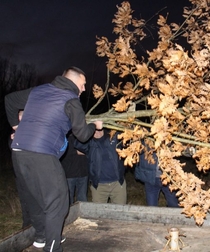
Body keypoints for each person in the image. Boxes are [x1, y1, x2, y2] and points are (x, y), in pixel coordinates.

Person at [5, 66, 103, 252]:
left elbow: (9, 100)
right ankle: (52, 247)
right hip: (41, 154)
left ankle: (42, 237)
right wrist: (94, 125)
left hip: (18, 152)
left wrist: (16, 127)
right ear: (74, 81)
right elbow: (82, 134)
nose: (83, 89)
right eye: (82, 85)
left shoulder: (39, 90)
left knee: (36, 198)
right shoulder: (71, 100)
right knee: (58, 200)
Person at [74, 129, 127, 204]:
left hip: (117, 184)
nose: (96, 132)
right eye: (94, 129)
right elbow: (78, 144)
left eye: (98, 129)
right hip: (99, 186)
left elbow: (126, 139)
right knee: (99, 214)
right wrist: (87, 131)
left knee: (120, 212)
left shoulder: (113, 136)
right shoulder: (89, 142)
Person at [135, 143, 179, 207]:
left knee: (174, 205)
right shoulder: (144, 137)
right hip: (151, 177)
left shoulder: (168, 136)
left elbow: (178, 148)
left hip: (168, 177)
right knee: (151, 207)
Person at [61, 133, 89, 205]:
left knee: (82, 199)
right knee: (68, 200)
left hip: (83, 172)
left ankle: (82, 215)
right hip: (69, 174)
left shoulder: (82, 136)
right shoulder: (65, 136)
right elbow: (82, 151)